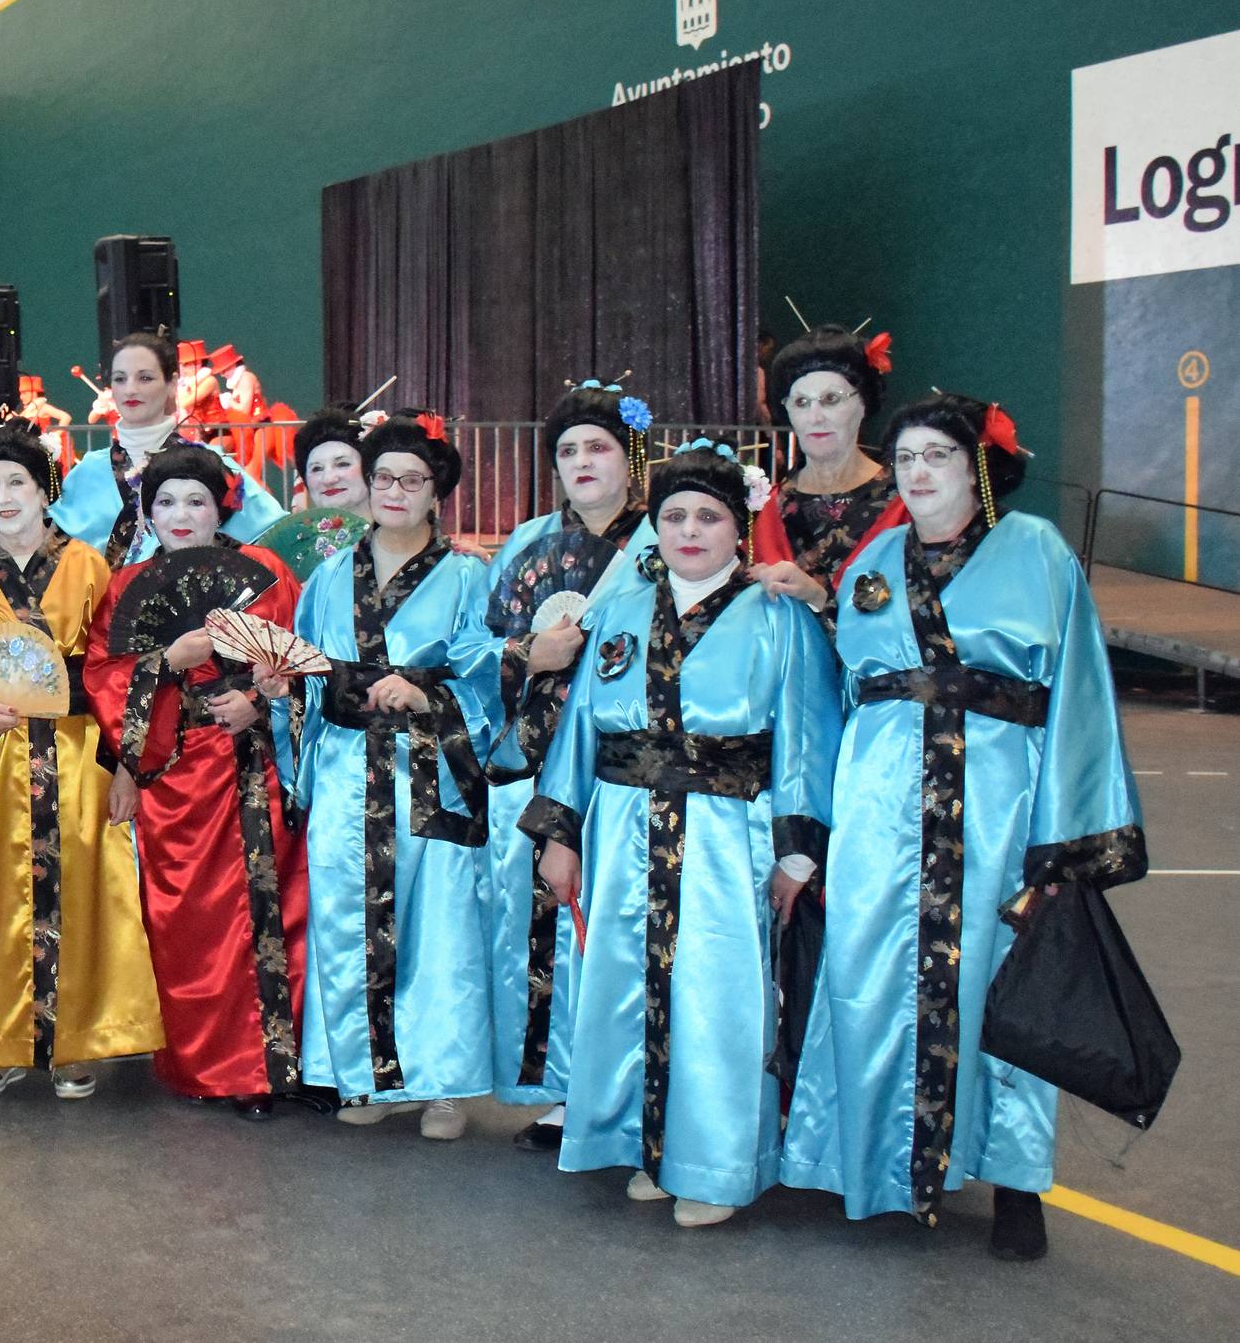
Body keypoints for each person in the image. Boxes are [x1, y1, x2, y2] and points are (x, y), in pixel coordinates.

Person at [782, 394, 1148, 1262]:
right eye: (904, 458)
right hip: (882, 806)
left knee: (1004, 983)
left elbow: (1081, 694)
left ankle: (1014, 1181)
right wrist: (819, 828)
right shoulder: (872, 561)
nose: (916, 473)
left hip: (996, 799)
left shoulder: (1038, 554)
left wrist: (1064, 840)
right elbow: (838, 699)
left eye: (936, 456)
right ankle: (871, 1166)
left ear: (976, 468)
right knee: (870, 971)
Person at [523, 443, 839, 1227]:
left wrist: (795, 851)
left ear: (740, 528)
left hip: (725, 836)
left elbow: (805, 736)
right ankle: (643, 1144)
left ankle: (712, 1163)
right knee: (626, 986)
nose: (688, 531)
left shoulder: (777, 617)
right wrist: (560, 833)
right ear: (653, 528)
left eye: (708, 516)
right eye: (672, 516)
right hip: (626, 827)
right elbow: (581, 731)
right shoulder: (620, 611)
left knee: (719, 997)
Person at [0, 425, 162, 1098]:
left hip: (76, 750)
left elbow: (117, 667)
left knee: (81, 892)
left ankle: (75, 1040)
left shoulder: (86, 565)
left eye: (16, 482)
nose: (2, 496)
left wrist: (124, 764)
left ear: (42, 490)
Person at [290, 413, 498, 1139]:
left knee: (438, 923)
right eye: (383, 478)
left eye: (412, 480)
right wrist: (282, 680)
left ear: (436, 491)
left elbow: (488, 670)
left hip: (428, 767)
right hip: (349, 767)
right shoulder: (327, 574)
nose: (394, 491)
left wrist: (427, 693)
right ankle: (365, 1073)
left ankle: (442, 1084)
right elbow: (309, 672)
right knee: (347, 918)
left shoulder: (470, 576)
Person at [84, 445, 307, 1120]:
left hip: (253, 763)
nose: (180, 515)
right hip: (173, 769)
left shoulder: (266, 574)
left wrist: (262, 701)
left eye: (196, 501)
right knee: (185, 918)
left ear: (221, 508)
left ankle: (270, 1066)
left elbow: (304, 659)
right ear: (147, 513)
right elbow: (102, 676)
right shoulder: (124, 588)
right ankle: (198, 1062)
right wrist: (165, 660)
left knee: (270, 912)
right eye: (166, 503)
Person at [473, 383, 655, 1149]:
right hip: (536, 759)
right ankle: (563, 1088)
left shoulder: (661, 542)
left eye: (598, 447)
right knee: (542, 927)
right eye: (567, 450)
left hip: (623, 772)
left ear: (631, 457)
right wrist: (526, 652)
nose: (582, 463)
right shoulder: (524, 544)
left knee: (615, 929)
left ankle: (630, 1093)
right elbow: (477, 648)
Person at [52, 331, 285, 567]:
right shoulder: (88, 473)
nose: (130, 389)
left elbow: (274, 533)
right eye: (120, 379)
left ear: (172, 384)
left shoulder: (209, 464)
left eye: (145, 378)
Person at [749, 325, 905, 613]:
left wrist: (821, 600)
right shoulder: (762, 511)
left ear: (864, 403)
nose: (815, 417)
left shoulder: (903, 504)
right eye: (801, 402)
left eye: (831, 399)